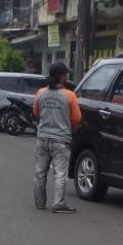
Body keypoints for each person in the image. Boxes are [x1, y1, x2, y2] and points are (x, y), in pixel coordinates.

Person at [33, 62, 82, 214]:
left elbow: (36, 112)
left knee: (40, 172)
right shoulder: (70, 95)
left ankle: (40, 202)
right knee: (60, 172)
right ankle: (58, 203)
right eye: (66, 74)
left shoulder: (40, 93)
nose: (67, 77)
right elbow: (76, 118)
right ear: (61, 76)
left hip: (42, 138)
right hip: (61, 139)